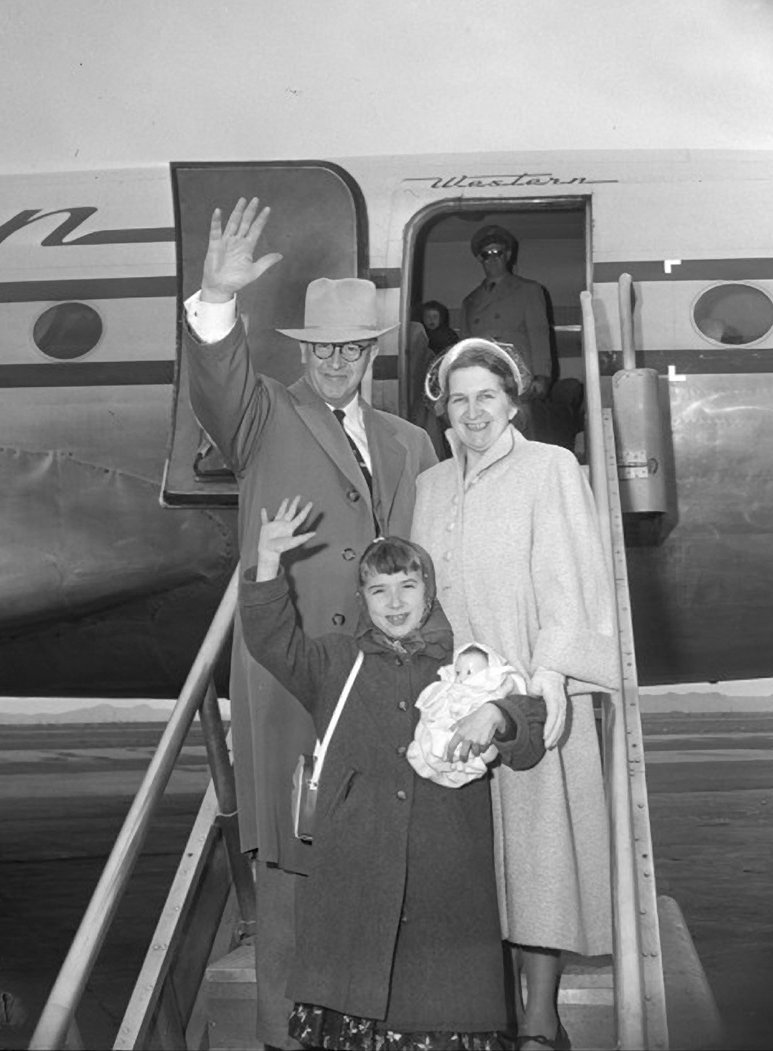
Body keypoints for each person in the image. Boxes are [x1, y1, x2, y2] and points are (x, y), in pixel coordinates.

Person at [182, 197, 438, 1049]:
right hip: (295, 677)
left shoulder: (410, 442)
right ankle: (281, 1041)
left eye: (350, 346)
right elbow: (217, 383)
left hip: (384, 684)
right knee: (292, 868)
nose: (335, 359)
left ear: (370, 352)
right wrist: (216, 299)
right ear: (305, 352)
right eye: (321, 345)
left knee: (379, 855)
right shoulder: (263, 418)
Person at [240, 496, 547, 1050]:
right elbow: (271, 641)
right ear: (363, 600)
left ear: (428, 592)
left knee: (442, 1008)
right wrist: (267, 562)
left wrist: (498, 711)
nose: (395, 601)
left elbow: (530, 730)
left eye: (407, 585)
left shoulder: (466, 665)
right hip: (355, 873)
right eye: (379, 590)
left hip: (446, 878)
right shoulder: (336, 662)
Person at [411, 338, 620, 1051]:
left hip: (526, 693)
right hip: (450, 699)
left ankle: (539, 1019)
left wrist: (546, 681)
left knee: (539, 858)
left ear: (512, 401)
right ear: (443, 405)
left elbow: (570, 578)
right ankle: (482, 1009)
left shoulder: (549, 467)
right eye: (459, 397)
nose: (472, 411)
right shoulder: (430, 486)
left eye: (487, 396)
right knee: (472, 861)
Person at [407, 642, 544, 788]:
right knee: (434, 737)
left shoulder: (494, 691)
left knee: (479, 751)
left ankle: (456, 763)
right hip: (449, 729)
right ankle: (436, 756)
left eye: (469, 672)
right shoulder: (448, 688)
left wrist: (495, 712)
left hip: (477, 742)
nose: (460, 678)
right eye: (458, 672)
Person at [461, 225, 555, 398]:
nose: (492, 258)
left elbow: (539, 333)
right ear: (479, 259)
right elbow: (466, 346)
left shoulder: (529, 290)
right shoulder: (469, 301)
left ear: (508, 255)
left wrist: (542, 376)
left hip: (519, 376)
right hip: (483, 378)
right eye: (486, 254)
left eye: (498, 252)